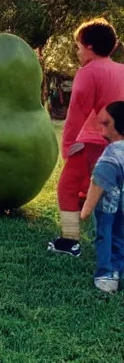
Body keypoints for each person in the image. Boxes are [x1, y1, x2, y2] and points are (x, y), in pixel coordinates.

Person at [49, 19, 124, 257]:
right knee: (101, 188)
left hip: (91, 143)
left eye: (78, 46)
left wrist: (68, 145)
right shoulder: (122, 70)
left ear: (89, 46)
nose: (77, 51)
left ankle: (69, 242)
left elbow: (77, 113)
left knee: (67, 188)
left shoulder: (88, 72)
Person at [80, 102, 124, 293]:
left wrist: (86, 209)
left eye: (106, 124)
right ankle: (119, 269)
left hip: (107, 207)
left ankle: (107, 276)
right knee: (121, 236)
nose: (102, 130)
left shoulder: (111, 153)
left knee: (104, 236)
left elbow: (99, 181)